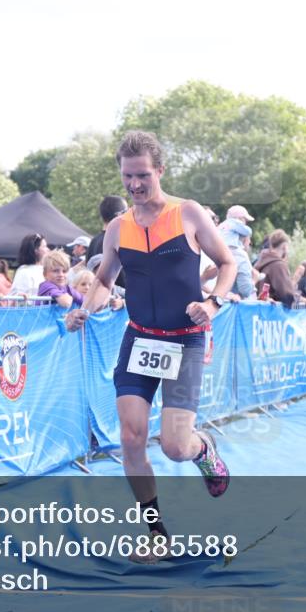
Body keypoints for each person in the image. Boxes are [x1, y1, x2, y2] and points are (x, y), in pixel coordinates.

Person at [64, 131, 234, 564]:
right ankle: (157, 533)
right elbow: (103, 281)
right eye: (127, 177)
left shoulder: (189, 213)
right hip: (140, 338)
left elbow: (228, 264)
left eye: (142, 175)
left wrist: (212, 304)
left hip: (185, 339)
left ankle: (203, 448)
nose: (135, 185)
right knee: (132, 437)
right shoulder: (117, 228)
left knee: (175, 446)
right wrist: (84, 309)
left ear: (159, 170)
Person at [254, 230, 306, 307]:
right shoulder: (278, 265)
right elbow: (286, 295)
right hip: (274, 315)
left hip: (260, 313)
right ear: (284, 246)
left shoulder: (260, 263)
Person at [87, 195, 128, 288]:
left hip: (100, 295)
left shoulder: (94, 241)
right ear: (119, 215)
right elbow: (121, 279)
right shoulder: (117, 241)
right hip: (115, 298)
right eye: (127, 211)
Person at [218, 205, 257, 298]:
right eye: (245, 221)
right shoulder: (234, 223)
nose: (245, 224)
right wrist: (254, 282)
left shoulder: (221, 226)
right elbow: (245, 290)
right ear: (239, 219)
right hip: (233, 251)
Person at [11, 233, 49, 297]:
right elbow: (17, 296)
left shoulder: (46, 269)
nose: (48, 249)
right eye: (44, 246)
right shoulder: (24, 272)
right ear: (36, 250)